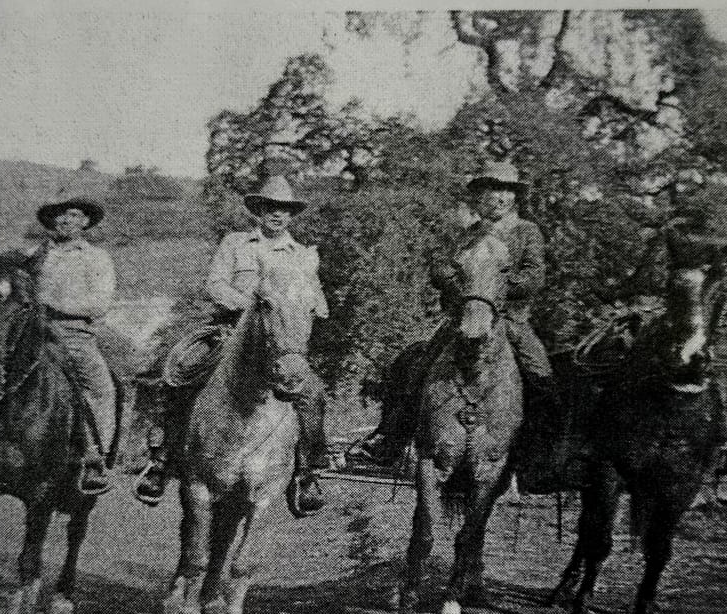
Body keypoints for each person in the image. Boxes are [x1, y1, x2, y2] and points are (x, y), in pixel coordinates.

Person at [135, 175, 330, 518]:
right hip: (230, 332)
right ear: (258, 211)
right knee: (180, 370)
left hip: (278, 340)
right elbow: (215, 282)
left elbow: (317, 303)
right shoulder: (236, 243)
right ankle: (161, 459)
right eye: (270, 208)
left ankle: (306, 473)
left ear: (291, 215)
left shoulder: (301, 255)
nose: (277, 215)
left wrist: (293, 311)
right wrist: (247, 304)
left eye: (284, 210)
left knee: (311, 393)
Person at [356, 161, 556, 470]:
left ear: (514, 197)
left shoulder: (527, 232)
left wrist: (496, 290)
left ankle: (538, 451)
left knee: (541, 373)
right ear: (480, 198)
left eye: (505, 191)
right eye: (492, 191)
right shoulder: (468, 234)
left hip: (509, 319)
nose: (498, 198)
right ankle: (390, 439)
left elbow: (535, 275)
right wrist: (456, 283)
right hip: (463, 317)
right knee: (420, 367)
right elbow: (442, 266)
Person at [28, 194, 118, 495]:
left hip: (73, 336)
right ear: (52, 221)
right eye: (61, 214)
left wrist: (53, 302)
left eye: (75, 214)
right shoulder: (35, 254)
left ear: (85, 223)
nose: (67, 219)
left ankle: (94, 456)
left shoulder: (96, 258)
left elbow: (99, 303)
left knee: (101, 389)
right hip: (32, 331)